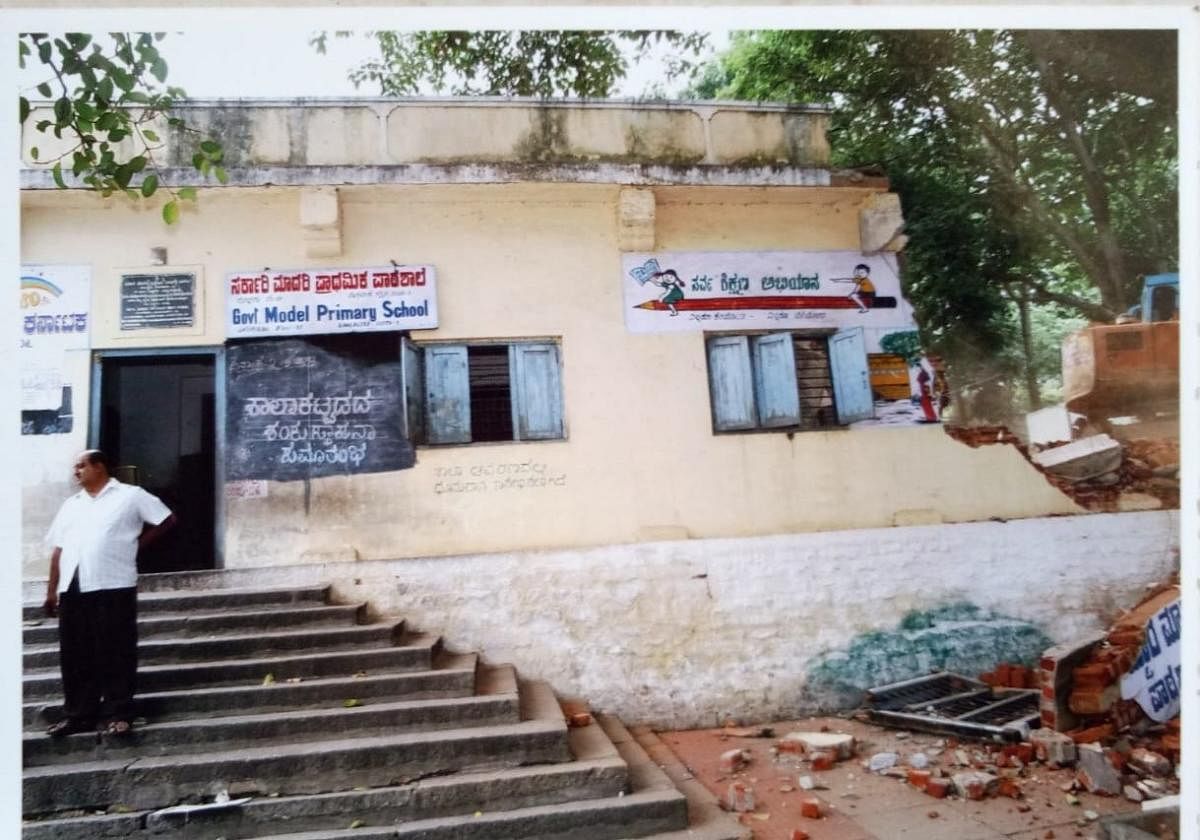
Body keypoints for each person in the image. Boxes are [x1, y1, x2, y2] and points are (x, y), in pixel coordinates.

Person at [43, 449, 176, 737]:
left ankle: (119, 713)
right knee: (75, 654)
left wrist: (135, 546)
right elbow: (59, 549)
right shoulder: (71, 504)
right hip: (73, 587)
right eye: (75, 467)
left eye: (81, 466)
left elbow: (166, 519)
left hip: (113, 583)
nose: (75, 472)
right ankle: (79, 715)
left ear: (100, 466)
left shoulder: (130, 495)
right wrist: (51, 590)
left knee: (115, 650)